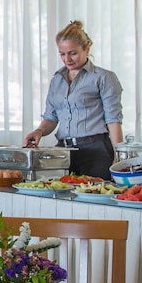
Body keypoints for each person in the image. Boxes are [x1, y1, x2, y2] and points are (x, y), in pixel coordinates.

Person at [23, 20, 123, 179]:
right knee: (60, 193)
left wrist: (119, 156)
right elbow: (51, 117)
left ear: (87, 48)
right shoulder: (56, 80)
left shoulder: (103, 78)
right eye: (62, 54)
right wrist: (39, 131)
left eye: (72, 53)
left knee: (93, 193)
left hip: (96, 151)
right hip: (64, 152)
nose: (67, 59)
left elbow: (113, 120)